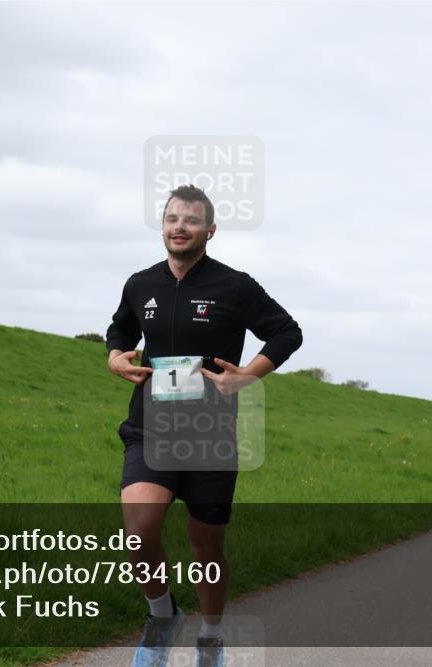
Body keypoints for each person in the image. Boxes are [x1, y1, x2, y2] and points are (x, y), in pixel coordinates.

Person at [106, 184, 303, 667]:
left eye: (191, 221)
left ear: (209, 230)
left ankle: (211, 636)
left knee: (206, 547)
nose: (180, 227)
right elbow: (121, 328)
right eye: (172, 219)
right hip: (150, 428)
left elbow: (287, 331)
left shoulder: (233, 286)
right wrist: (115, 356)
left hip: (211, 437)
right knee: (139, 530)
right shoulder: (141, 284)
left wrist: (247, 376)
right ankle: (161, 615)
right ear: (163, 224)